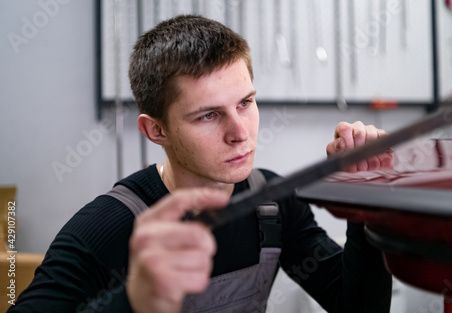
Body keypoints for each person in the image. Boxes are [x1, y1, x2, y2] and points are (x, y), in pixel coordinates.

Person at [9, 15, 393, 313]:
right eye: (208, 115)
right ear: (156, 130)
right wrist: (132, 301)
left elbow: (357, 307)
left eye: (245, 102)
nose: (240, 132)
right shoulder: (103, 230)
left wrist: (366, 211)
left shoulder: (273, 206)